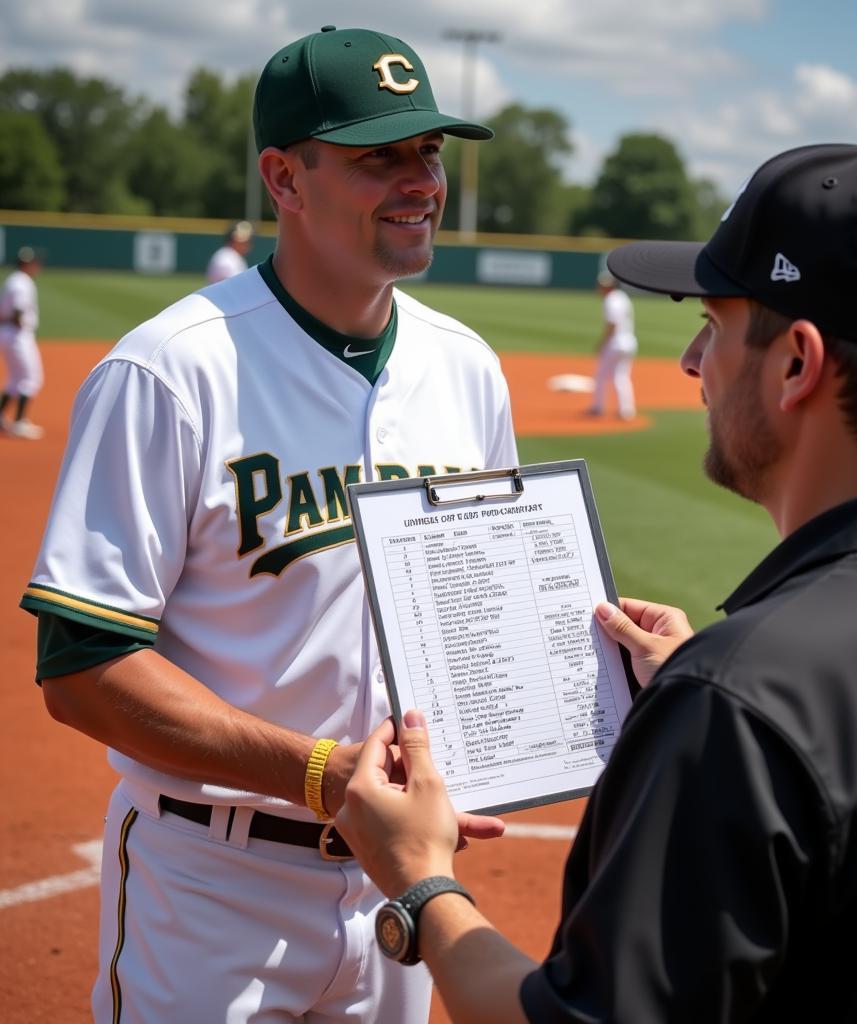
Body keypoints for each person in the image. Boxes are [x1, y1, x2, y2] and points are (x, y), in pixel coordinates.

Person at [335, 141, 857, 1022]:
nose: (695, 362)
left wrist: (419, 881)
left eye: (715, 325)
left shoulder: (740, 705)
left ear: (797, 364)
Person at [21, 25, 515, 1023]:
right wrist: (321, 773)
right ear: (284, 179)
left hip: (403, 889)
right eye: (381, 156)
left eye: (430, 151)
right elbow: (83, 665)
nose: (422, 179)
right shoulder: (170, 370)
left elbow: (487, 608)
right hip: (212, 883)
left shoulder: (467, 368)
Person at [0, 245, 44, 439]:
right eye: (35, 262)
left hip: (8, 332)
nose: (37, 265)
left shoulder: (13, 279)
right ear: (27, 263)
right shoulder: (21, 282)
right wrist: (19, 325)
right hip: (18, 334)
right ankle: (19, 422)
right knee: (31, 378)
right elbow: (18, 310)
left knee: (16, 379)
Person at [585, 270, 637, 419]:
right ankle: (626, 411)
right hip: (629, 341)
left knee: (601, 375)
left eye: (602, 285)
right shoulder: (622, 297)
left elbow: (612, 324)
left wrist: (602, 343)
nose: (600, 288)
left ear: (609, 286)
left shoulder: (611, 300)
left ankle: (598, 407)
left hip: (615, 343)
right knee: (621, 376)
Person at [206, 219, 254, 283]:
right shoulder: (226, 259)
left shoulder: (233, 256)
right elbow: (236, 285)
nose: (247, 244)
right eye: (244, 241)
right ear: (232, 240)